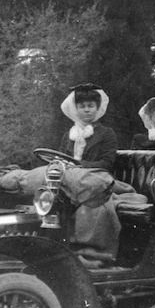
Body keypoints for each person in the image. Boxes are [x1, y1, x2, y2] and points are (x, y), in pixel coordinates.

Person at [59, 83, 120, 268]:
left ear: (97, 108)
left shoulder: (106, 133)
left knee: (96, 205)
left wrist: (79, 166)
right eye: (82, 106)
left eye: (90, 106)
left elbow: (107, 163)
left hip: (97, 180)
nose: (86, 110)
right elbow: (60, 157)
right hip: (69, 180)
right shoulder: (68, 135)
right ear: (75, 109)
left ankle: (91, 255)